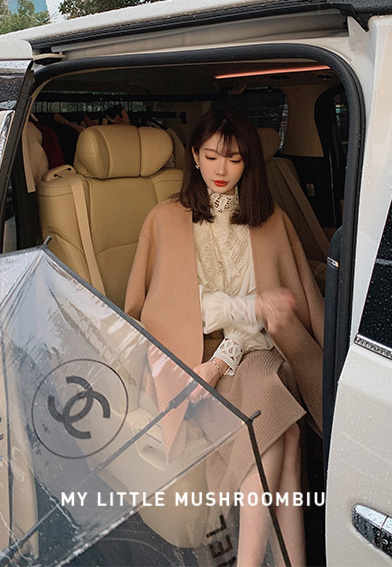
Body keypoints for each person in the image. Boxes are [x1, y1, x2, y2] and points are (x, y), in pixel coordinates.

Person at [125, 108, 325, 567]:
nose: (221, 169)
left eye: (234, 159)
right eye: (212, 156)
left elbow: (267, 314)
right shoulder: (164, 219)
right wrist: (244, 312)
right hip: (185, 352)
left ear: (247, 163)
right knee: (287, 433)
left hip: (253, 348)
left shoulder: (270, 220)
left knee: (269, 392)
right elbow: (178, 308)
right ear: (194, 156)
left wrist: (220, 361)